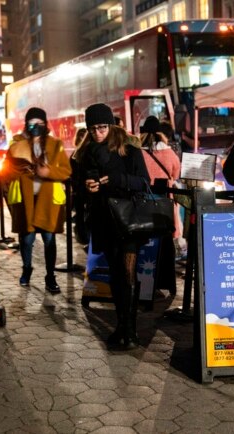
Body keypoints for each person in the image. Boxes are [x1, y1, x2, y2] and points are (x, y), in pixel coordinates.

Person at [75, 103, 151, 349]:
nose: (98, 132)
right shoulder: (84, 152)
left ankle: (130, 331)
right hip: (103, 219)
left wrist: (117, 180)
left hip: (128, 220)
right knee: (116, 275)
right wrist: (87, 187)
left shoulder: (128, 147)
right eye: (93, 128)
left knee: (127, 273)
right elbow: (77, 188)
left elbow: (144, 182)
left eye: (102, 127)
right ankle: (122, 325)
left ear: (111, 125)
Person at [4, 107, 72, 294]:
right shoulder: (16, 145)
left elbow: (66, 171)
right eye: (32, 123)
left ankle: (50, 276)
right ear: (26, 124)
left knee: (49, 241)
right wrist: (19, 170)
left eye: (40, 123)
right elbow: (6, 170)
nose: (36, 127)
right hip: (26, 200)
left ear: (45, 124)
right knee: (26, 240)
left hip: (48, 200)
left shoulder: (55, 144)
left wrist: (48, 172)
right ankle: (27, 269)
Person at [140, 119, 182, 240]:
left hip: (144, 199)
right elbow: (175, 175)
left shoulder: (138, 153)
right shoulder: (170, 153)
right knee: (165, 234)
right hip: (165, 199)